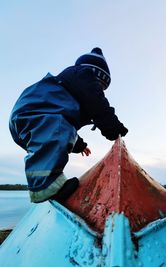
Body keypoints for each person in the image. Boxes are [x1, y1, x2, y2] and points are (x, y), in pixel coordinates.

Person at [9, 47, 128, 204]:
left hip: (28, 121)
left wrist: (79, 145)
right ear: (95, 76)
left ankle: (49, 183)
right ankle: (44, 187)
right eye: (101, 87)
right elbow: (97, 104)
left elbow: (66, 125)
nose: (101, 91)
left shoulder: (65, 95)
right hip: (36, 114)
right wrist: (114, 128)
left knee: (62, 131)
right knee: (58, 129)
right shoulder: (82, 75)